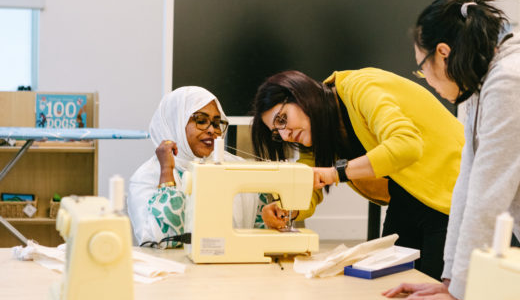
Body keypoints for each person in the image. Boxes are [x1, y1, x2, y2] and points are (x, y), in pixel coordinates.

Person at [383, 0, 520, 300]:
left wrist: (463, 295)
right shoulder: (485, 85)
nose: (429, 82)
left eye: (423, 71)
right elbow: (466, 184)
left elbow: (489, 191)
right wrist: (452, 281)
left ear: (443, 53)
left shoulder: (516, 81)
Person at [251, 68, 464, 279]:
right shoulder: (321, 129)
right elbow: (310, 179)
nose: (285, 134)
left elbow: (406, 145)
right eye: (277, 132)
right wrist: (288, 209)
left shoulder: (362, 88)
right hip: (407, 197)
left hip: (450, 193)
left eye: (282, 119)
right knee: (394, 287)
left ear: (300, 95)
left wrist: (337, 173)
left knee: (433, 293)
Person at [128, 86, 264, 248]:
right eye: (201, 121)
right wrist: (167, 173)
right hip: (174, 270)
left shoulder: (238, 167)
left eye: (216, 123)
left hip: (234, 269)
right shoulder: (147, 177)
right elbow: (164, 241)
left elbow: (260, 230)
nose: (212, 130)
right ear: (175, 122)